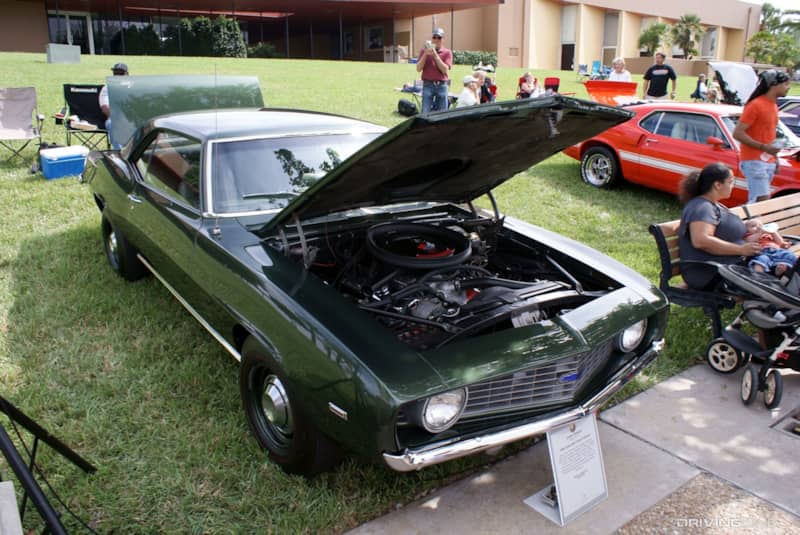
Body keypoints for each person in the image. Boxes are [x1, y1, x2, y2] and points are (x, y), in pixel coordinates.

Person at [678, 162, 762, 290]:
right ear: (717, 185)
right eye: (730, 181)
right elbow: (701, 241)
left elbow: (721, 228)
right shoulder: (701, 207)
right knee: (780, 272)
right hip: (711, 274)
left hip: (726, 267)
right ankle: (757, 308)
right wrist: (741, 250)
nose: (733, 186)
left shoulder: (712, 205)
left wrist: (746, 226)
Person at [733, 69, 792, 204]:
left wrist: (775, 158)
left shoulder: (773, 106)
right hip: (753, 160)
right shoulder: (755, 105)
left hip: (767, 161)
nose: (788, 88)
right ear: (773, 84)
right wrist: (763, 147)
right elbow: (738, 133)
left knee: (758, 200)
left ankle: (750, 224)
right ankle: (750, 224)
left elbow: (769, 135)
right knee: (762, 200)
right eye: (786, 84)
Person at [415, 28, 452, 113]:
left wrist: (435, 55)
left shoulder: (447, 52)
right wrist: (425, 54)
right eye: (434, 37)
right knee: (425, 112)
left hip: (441, 85)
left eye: (439, 38)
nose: (436, 40)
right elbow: (418, 69)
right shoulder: (424, 51)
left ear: (443, 39)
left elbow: (445, 70)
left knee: (443, 113)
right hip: (428, 85)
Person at [98, 62, 128, 148]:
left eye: (121, 73)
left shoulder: (134, 86)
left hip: (134, 118)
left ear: (127, 74)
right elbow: (105, 108)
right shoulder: (107, 88)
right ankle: (121, 154)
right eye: (115, 73)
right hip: (115, 118)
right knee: (112, 123)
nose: (118, 76)